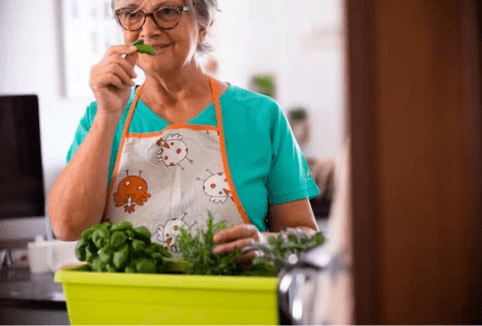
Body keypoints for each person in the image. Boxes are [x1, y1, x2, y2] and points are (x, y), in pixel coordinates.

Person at [47, 0, 320, 263]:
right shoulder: (101, 117)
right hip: (129, 306)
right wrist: (107, 116)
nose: (148, 29)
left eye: (167, 11)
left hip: (234, 305)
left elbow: (307, 235)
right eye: (132, 13)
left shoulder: (261, 117)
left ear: (204, 24)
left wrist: (266, 245)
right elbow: (67, 227)